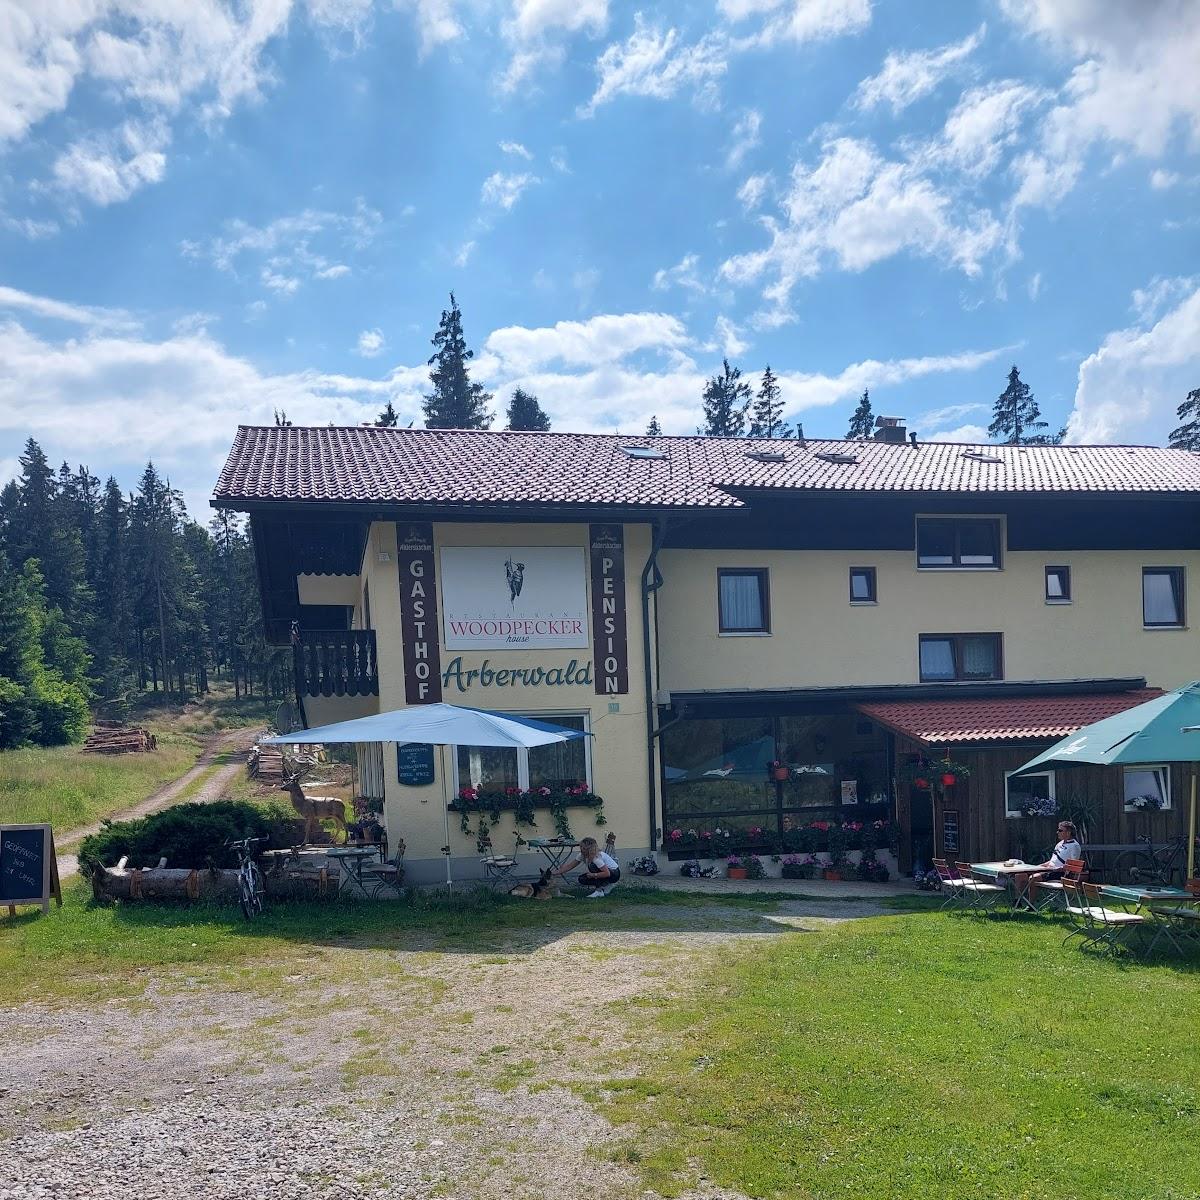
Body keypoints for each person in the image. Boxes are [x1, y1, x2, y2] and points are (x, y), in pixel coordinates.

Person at [1017, 820, 1084, 903]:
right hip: (1049, 870)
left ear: (1068, 832)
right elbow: (1052, 861)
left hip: (1060, 874)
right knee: (1020, 875)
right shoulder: (1059, 844)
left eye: (1060, 830)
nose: (1057, 832)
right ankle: (1018, 901)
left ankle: (1031, 905)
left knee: (1033, 878)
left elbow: (1073, 865)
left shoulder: (1074, 846)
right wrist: (1038, 867)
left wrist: (1058, 868)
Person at [554, 836, 621, 898]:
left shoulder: (596, 858)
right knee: (582, 879)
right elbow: (569, 866)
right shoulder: (581, 855)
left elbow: (607, 873)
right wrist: (554, 873)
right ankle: (606, 886)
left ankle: (599, 891)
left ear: (589, 849)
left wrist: (593, 875)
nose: (581, 849)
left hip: (614, 874)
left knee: (592, 866)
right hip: (606, 872)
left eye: (583, 848)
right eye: (581, 847)